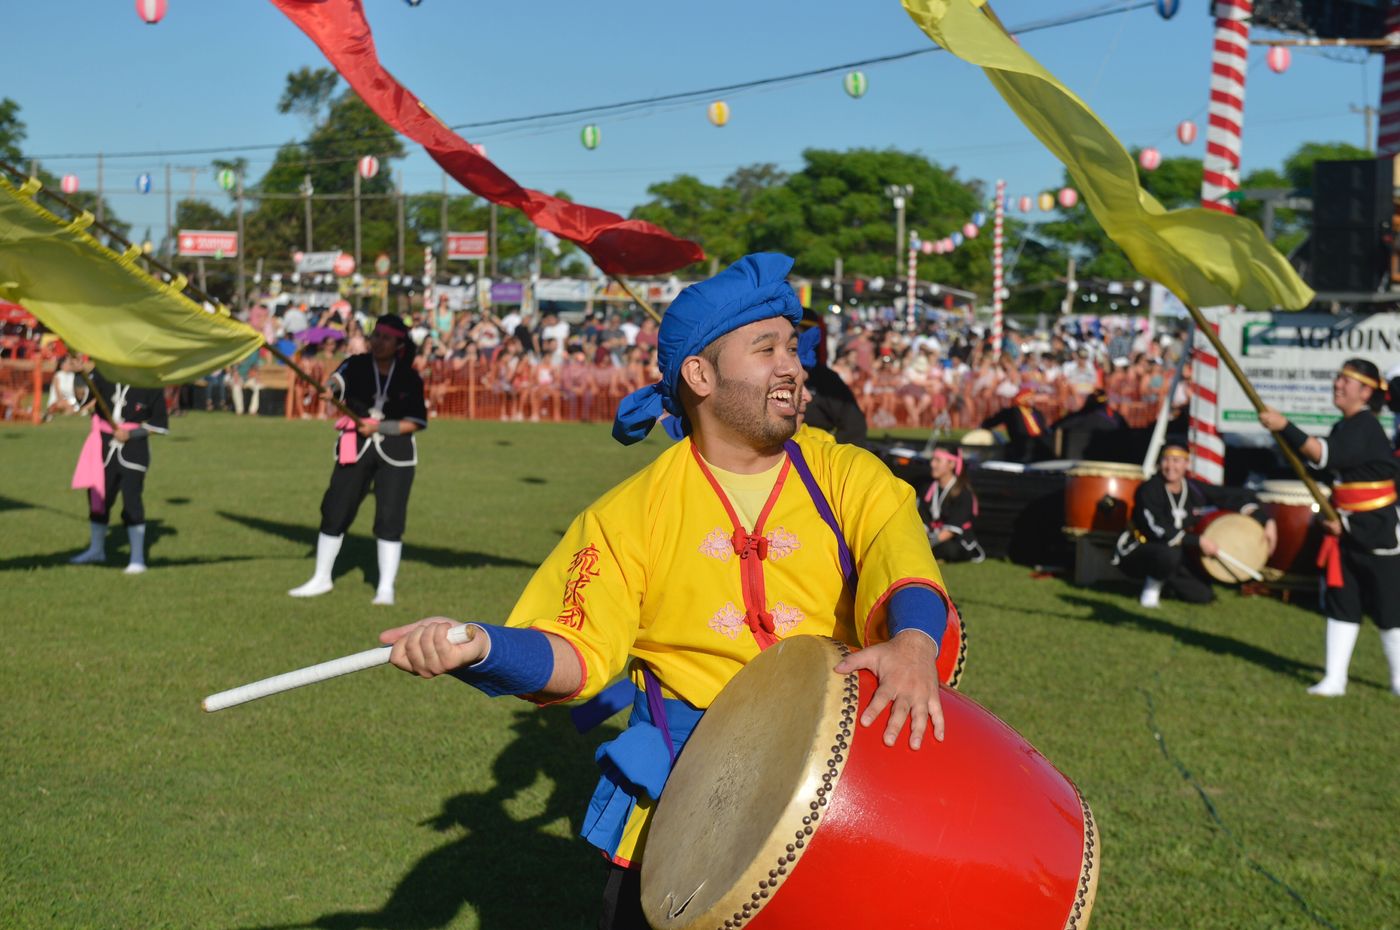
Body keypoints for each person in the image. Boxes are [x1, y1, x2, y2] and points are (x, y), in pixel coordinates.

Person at [375, 254, 958, 929]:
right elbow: (575, 651)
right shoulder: (629, 513)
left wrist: (915, 640)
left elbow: (903, 559)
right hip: (685, 805)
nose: (792, 367)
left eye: (792, 346)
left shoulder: (847, 473)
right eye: (764, 347)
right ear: (700, 375)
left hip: (843, 799)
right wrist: (478, 646)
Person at [1259, 359, 1400, 697]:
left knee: (1389, 607)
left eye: (1346, 381)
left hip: (1376, 529)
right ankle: (1335, 679)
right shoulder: (1346, 425)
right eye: (1338, 378)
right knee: (1342, 601)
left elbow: (1326, 456)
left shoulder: (1364, 425)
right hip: (1346, 527)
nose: (1337, 384)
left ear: (1366, 392)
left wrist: (1284, 426)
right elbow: (1323, 463)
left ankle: (1398, 680)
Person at [288, 314, 427, 606]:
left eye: (385, 338)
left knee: (390, 517)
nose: (377, 342)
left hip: (396, 453)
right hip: (355, 446)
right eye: (375, 335)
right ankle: (321, 578)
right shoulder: (358, 363)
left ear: (399, 344)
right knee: (335, 508)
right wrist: (330, 390)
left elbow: (415, 422)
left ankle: (385, 588)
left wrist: (379, 427)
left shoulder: (409, 376)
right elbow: (338, 380)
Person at [1113, 444, 1274, 608]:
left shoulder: (1193, 488)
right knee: (1169, 552)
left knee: (1203, 596)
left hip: (1180, 551)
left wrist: (1266, 519)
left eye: (1176, 461)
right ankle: (1151, 589)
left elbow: (1233, 495)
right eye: (1166, 460)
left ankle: (1167, 583)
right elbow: (1158, 529)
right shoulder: (1149, 489)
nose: (1170, 466)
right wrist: (1198, 541)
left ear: (1186, 464)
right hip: (1141, 548)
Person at [68, 368, 169, 574]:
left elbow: (161, 425)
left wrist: (133, 434)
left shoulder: (151, 383)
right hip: (102, 448)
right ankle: (96, 550)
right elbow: (83, 399)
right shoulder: (104, 373)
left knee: (132, 501)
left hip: (134, 452)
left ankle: (137, 558)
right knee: (98, 499)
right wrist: (80, 374)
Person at [919, 447, 985, 563]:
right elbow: (923, 519)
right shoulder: (927, 489)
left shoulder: (963, 494)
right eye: (933, 459)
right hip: (934, 536)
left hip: (956, 540)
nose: (932, 464)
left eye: (938, 460)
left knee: (948, 549)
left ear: (951, 464)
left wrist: (927, 545)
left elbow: (951, 531)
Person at [980, 385, 1050, 463]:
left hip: (1037, 446)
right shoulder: (1012, 412)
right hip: (1021, 446)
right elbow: (989, 423)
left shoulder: (1036, 412)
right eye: (1031, 398)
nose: (1033, 400)